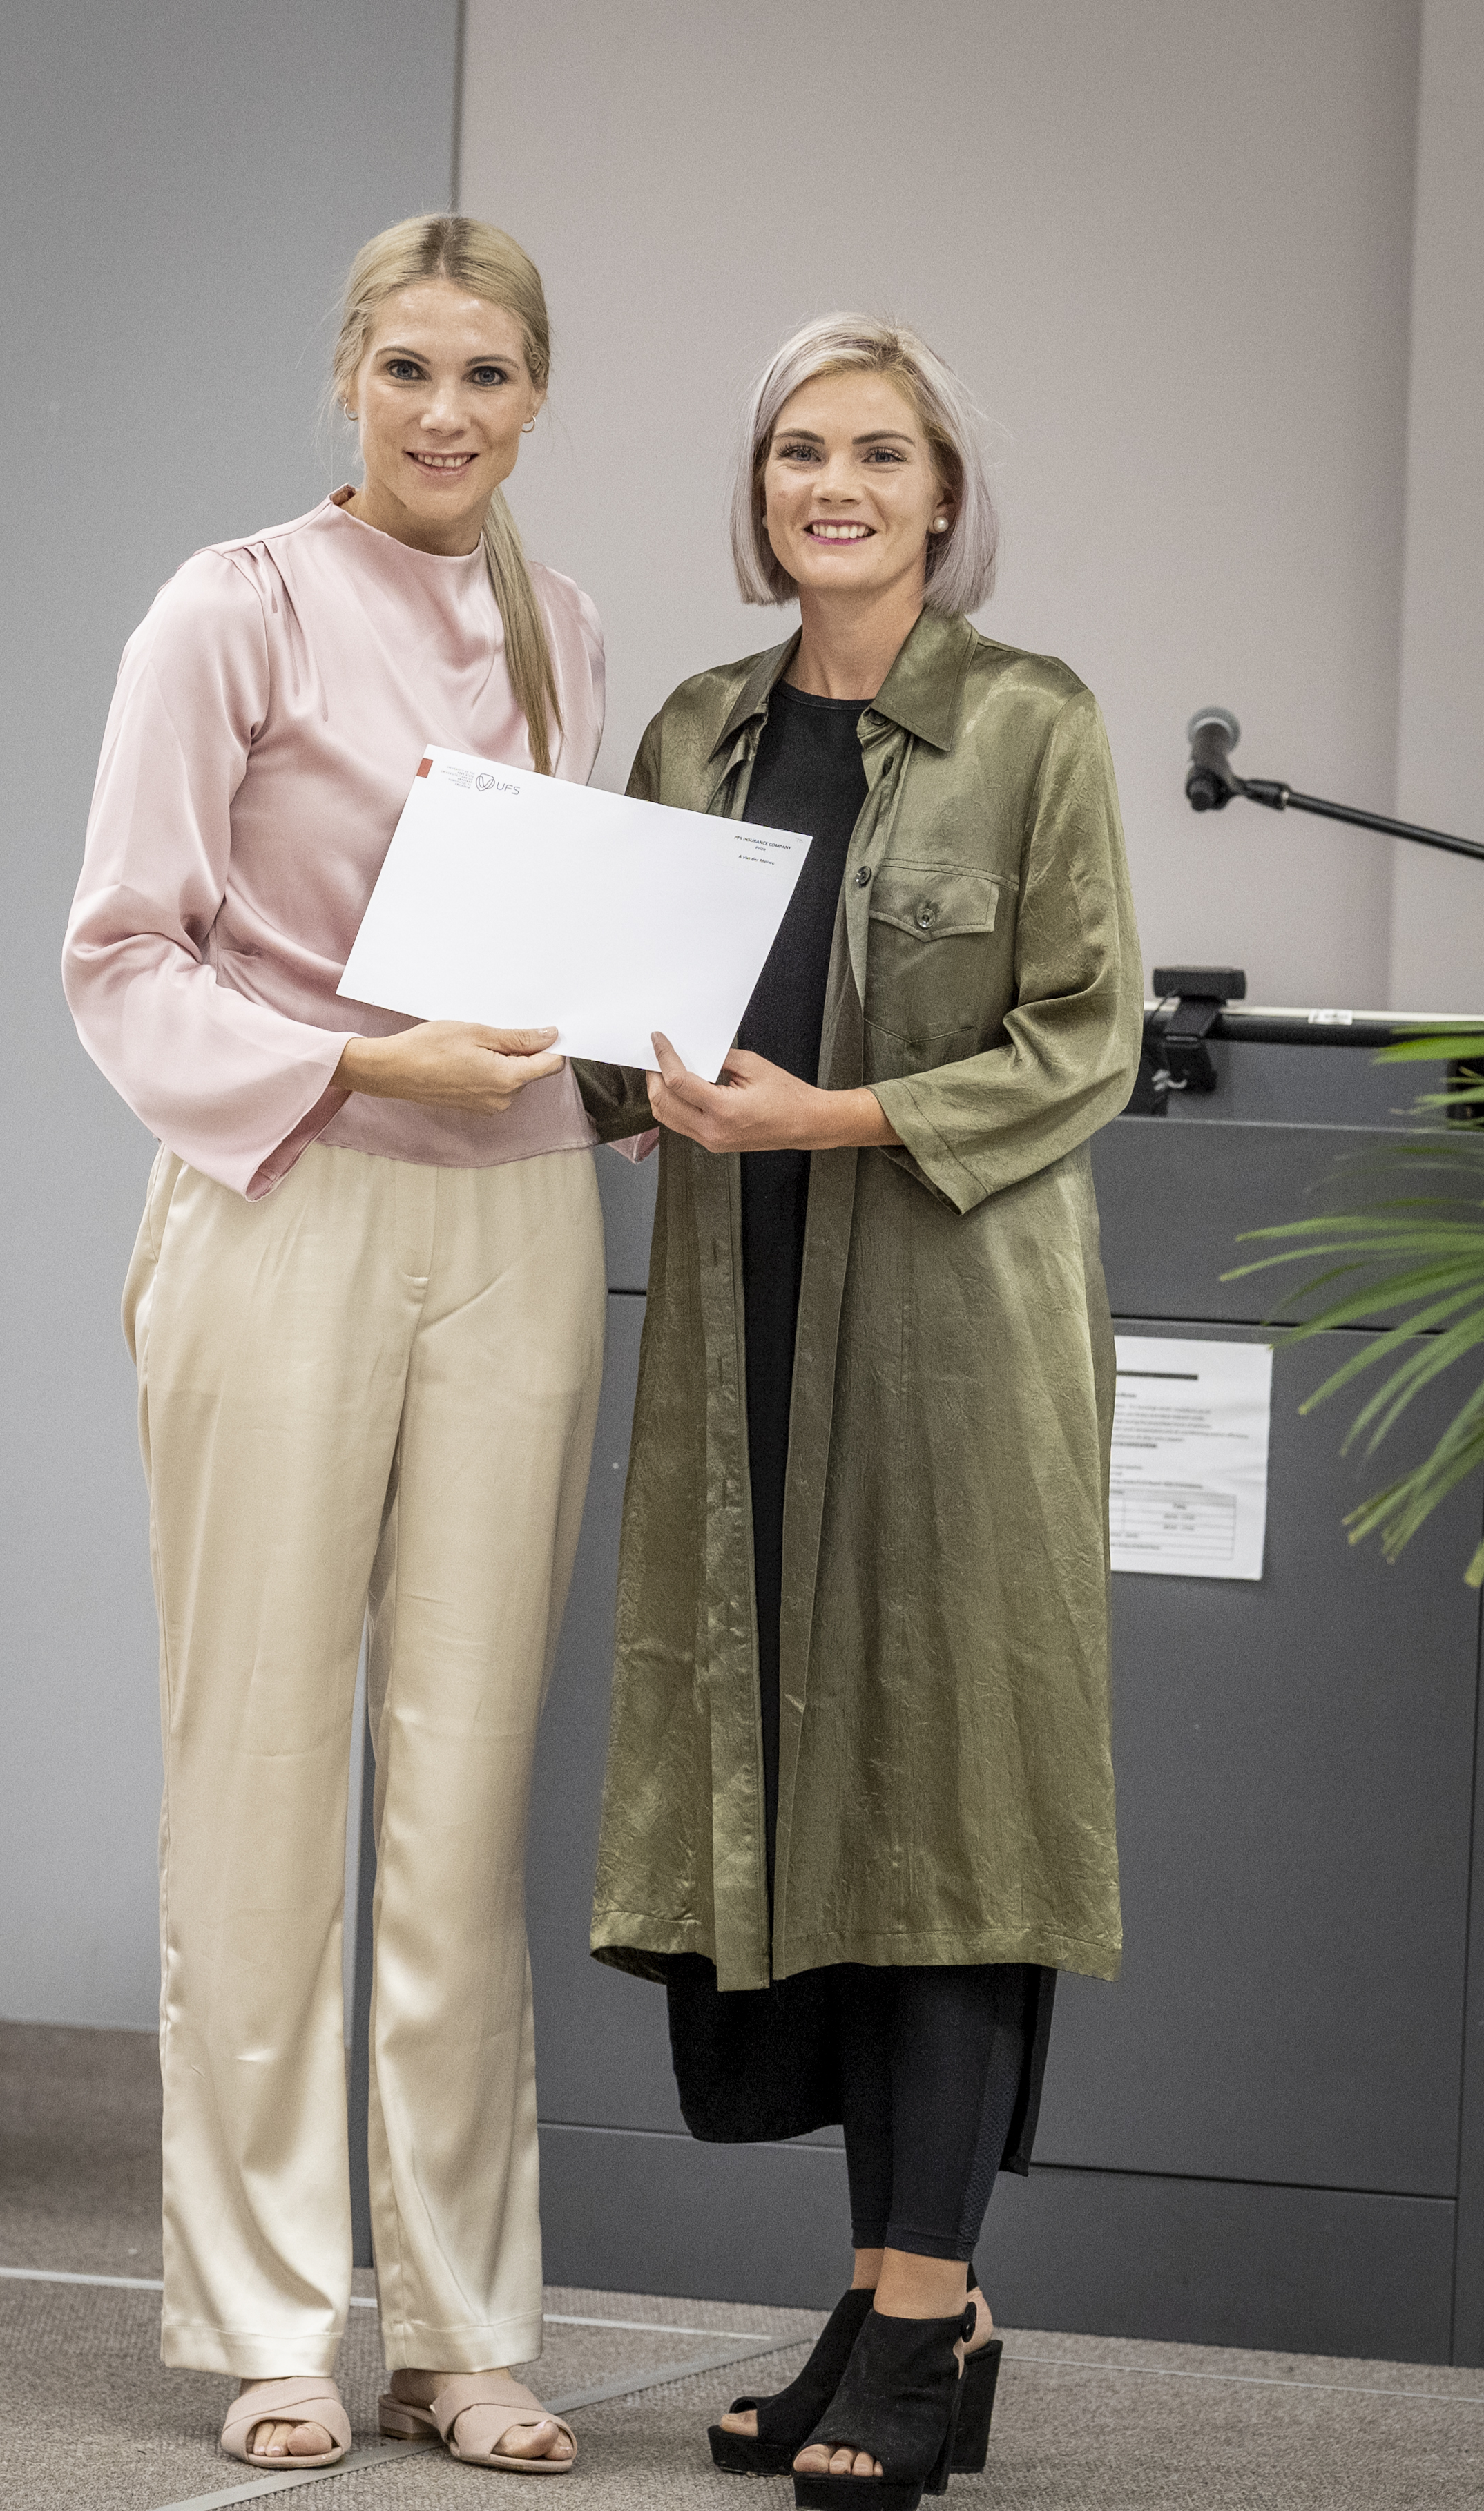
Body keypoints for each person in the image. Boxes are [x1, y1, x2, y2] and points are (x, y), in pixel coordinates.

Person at [575, 313, 1141, 2506]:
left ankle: (923, 2309)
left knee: (951, 1801)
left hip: (954, 1339)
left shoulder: (1030, 719)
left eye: (881, 453)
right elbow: (626, 1032)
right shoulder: (697, 728)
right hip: (743, 1325)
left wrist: (835, 1114)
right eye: (800, 450)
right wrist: (550, 1015)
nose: (837, 485)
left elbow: (1083, 1036)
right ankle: (902, 2300)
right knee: (809, 1798)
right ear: (761, 491)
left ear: (941, 494)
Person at [64, 215, 604, 2477]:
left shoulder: (566, 628)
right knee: (264, 1773)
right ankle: (272, 2316)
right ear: (348, 378)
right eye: (407, 368)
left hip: (523, 1218)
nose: (444, 413)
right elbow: (122, 952)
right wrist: (371, 1066)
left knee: (466, 1802)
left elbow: (561, 947)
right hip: (285, 1191)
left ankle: (463, 2328)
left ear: (537, 395)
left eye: (487, 373)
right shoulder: (233, 606)